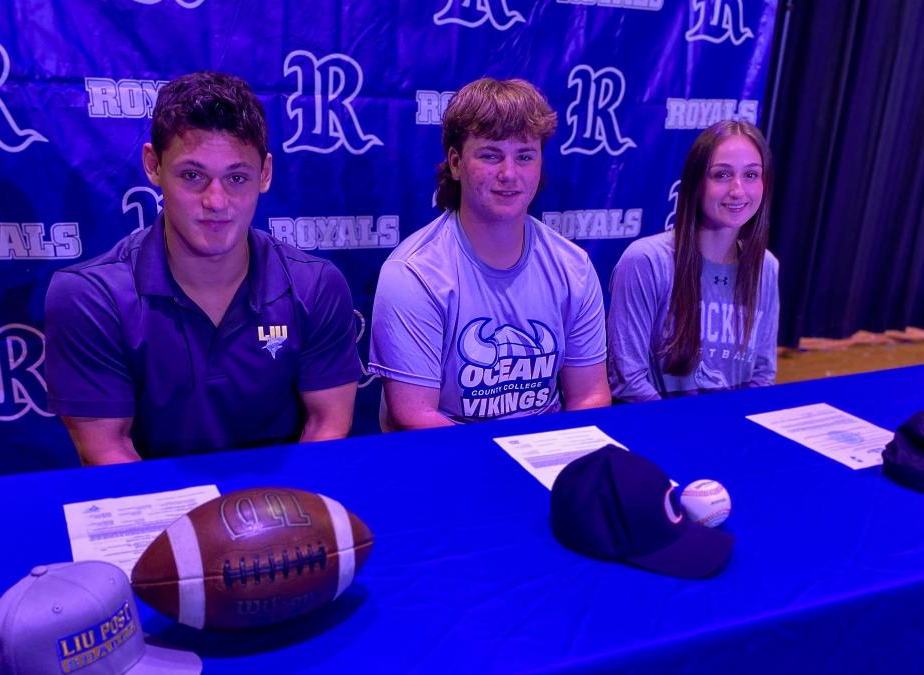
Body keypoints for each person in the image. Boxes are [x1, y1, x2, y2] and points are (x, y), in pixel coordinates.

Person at [44, 71, 360, 464]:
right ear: (153, 165)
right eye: (193, 176)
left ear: (265, 174)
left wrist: (276, 519)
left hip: (281, 507)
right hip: (156, 512)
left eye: (236, 177)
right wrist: (195, 527)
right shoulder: (91, 298)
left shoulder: (316, 285)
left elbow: (327, 426)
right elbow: (107, 450)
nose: (216, 201)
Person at [367, 77, 610, 429]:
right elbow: (414, 415)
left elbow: (589, 396)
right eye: (490, 155)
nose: (509, 174)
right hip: (449, 461)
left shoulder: (573, 266)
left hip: (548, 453)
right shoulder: (413, 273)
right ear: (455, 163)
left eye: (525, 156)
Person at [608, 120, 779, 401]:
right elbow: (628, 381)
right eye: (722, 175)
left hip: (732, 434)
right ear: (696, 183)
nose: (738, 190)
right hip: (660, 432)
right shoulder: (646, 261)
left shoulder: (766, 267)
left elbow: (762, 375)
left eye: (751, 175)